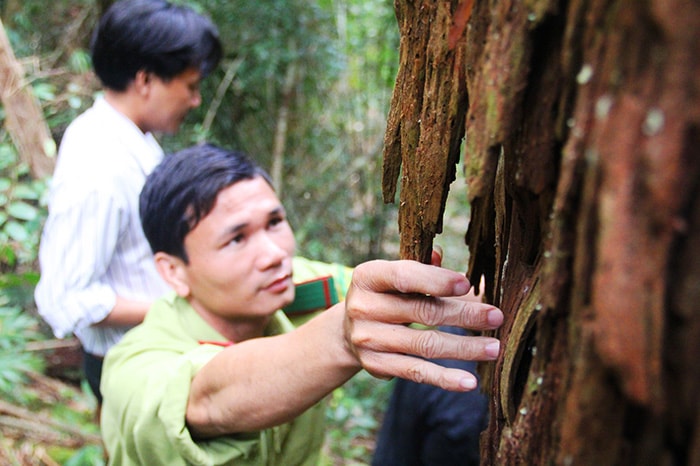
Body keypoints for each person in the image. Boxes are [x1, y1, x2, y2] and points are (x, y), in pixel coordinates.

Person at [99, 144, 504, 465]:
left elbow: (407, 300)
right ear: (173, 272)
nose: (274, 254)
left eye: (274, 223)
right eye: (236, 239)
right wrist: (343, 339)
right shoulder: (133, 365)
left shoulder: (295, 285)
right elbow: (207, 400)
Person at [34, 0, 222, 403]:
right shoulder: (101, 163)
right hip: (127, 368)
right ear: (145, 80)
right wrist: (186, 306)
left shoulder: (130, 141)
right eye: (190, 86)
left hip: (151, 357)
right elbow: (66, 297)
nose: (195, 100)